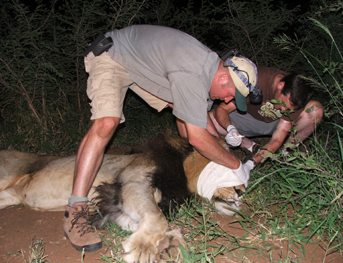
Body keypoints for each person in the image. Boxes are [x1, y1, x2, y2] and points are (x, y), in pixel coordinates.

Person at [63, 24, 258, 252]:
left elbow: (195, 124)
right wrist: (235, 164)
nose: (226, 101)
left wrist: (219, 150)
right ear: (225, 76)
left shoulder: (206, 73)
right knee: (107, 122)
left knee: (183, 108)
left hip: (141, 68)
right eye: (230, 94)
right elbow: (196, 137)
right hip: (113, 56)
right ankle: (75, 210)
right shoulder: (193, 72)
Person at [208, 67, 323, 166]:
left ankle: (285, 154)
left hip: (277, 124)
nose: (283, 109)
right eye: (283, 102)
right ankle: (248, 145)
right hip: (248, 118)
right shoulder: (257, 80)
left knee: (315, 109)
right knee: (209, 120)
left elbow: (277, 138)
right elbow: (222, 109)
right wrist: (230, 128)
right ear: (280, 85)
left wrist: (252, 164)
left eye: (288, 109)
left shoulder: (296, 98)